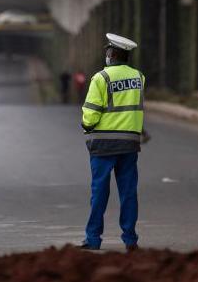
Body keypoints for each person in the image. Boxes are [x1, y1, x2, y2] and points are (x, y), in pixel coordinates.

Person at [79, 33, 144, 251]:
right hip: (129, 144)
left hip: (103, 144)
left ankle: (93, 239)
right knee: (128, 192)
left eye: (108, 51)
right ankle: (130, 240)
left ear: (111, 53)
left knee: (99, 192)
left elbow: (91, 113)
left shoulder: (101, 78)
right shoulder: (139, 78)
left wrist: (87, 126)